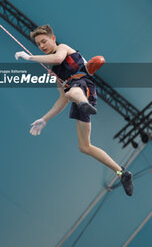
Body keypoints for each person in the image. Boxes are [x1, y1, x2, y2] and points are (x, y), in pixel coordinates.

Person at [15, 24, 133, 196]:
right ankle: (122, 173)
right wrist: (45, 119)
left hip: (84, 84)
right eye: (39, 44)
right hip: (77, 96)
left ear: (53, 39)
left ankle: (83, 101)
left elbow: (57, 59)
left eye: (44, 41)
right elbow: (62, 99)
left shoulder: (62, 49)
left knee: (73, 90)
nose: (42, 46)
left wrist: (30, 58)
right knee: (84, 146)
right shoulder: (56, 73)